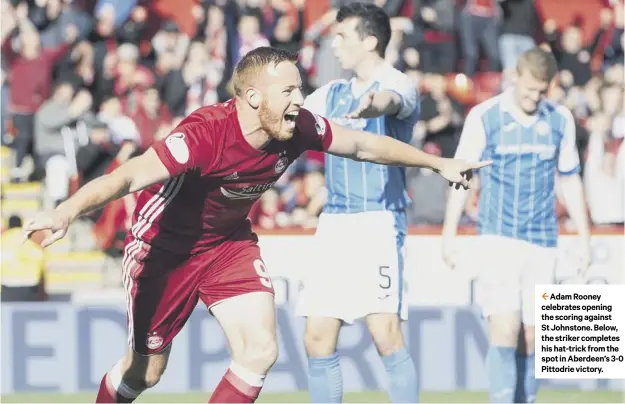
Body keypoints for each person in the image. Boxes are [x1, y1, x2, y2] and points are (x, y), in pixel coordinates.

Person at [24, 46, 488, 404]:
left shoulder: (298, 126)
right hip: (163, 248)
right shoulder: (204, 135)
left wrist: (435, 162)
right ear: (251, 97)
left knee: (261, 350)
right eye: (288, 91)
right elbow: (126, 176)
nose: (299, 100)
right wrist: (65, 212)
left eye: (299, 90)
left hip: (227, 245)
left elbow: (362, 145)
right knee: (144, 373)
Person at [441, 47, 591, 404]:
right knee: (505, 328)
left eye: (542, 91)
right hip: (497, 237)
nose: (534, 97)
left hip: (542, 240)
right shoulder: (485, 116)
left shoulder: (560, 120)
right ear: (515, 78)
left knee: (533, 334)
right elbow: (460, 175)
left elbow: (569, 180)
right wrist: (448, 234)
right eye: (529, 90)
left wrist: (585, 237)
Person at [295, 4, 419, 403]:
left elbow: (391, 101)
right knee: (316, 337)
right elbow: (289, 119)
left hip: (378, 222)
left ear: (369, 40)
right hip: (335, 223)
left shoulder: (399, 83)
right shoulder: (331, 93)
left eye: (342, 36)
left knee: (384, 332)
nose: (335, 44)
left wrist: (374, 106)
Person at [1, 215, 47, 302]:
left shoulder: (3, 240)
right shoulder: (30, 241)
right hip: (30, 285)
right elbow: (41, 264)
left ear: (8, 226)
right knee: (28, 314)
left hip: (8, 285)